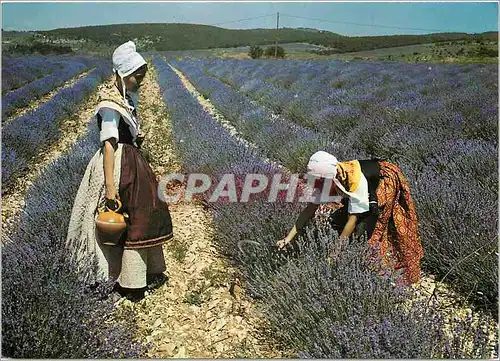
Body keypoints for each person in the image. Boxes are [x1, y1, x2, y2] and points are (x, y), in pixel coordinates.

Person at [66, 41, 173, 300]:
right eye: (137, 76)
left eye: (143, 76)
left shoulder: (123, 99)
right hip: (116, 165)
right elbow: (109, 145)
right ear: (122, 74)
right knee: (117, 216)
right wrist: (111, 189)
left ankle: (136, 274)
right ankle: (113, 277)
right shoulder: (110, 104)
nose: (141, 81)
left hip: (131, 160)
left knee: (137, 216)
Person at [277, 151, 423, 284]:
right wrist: (288, 239)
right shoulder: (325, 178)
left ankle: (381, 274)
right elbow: (309, 210)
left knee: (372, 227)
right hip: (363, 183)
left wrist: (335, 251)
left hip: (384, 180)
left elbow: (352, 219)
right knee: (340, 220)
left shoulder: (355, 180)